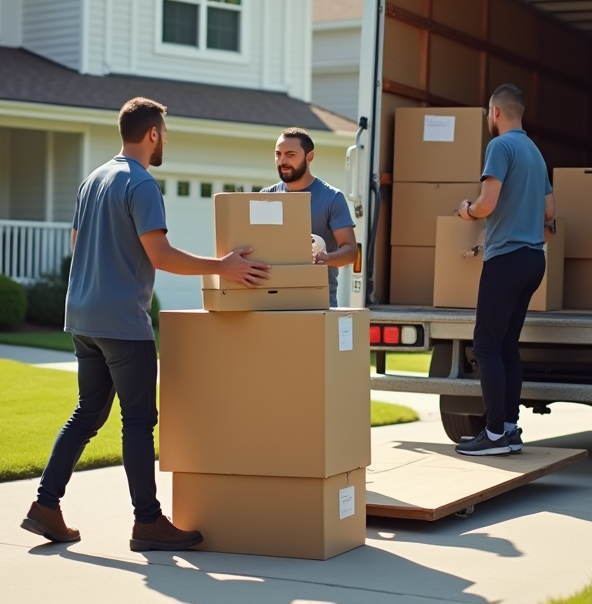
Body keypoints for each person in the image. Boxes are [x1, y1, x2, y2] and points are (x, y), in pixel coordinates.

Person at [21, 97, 270, 551]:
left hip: (82, 318)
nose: (164, 142)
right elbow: (162, 256)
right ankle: (148, 522)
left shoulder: (93, 179)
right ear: (153, 133)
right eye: (164, 134)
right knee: (138, 421)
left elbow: (78, 243)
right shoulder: (141, 184)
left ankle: (45, 506)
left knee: (87, 414)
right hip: (121, 323)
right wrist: (224, 267)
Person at [454, 84, 554, 456]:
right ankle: (509, 429)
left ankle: (493, 434)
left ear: (495, 112)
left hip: (506, 259)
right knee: (508, 345)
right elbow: (549, 213)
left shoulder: (500, 147)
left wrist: (467, 209)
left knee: (486, 346)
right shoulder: (536, 153)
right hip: (533, 260)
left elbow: (487, 203)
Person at [262, 127, 357, 308]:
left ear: (310, 156)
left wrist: (326, 259)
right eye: (278, 154)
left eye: (290, 154)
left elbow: (351, 251)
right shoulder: (266, 197)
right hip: (271, 299)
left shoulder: (331, 198)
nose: (282, 161)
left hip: (317, 301)